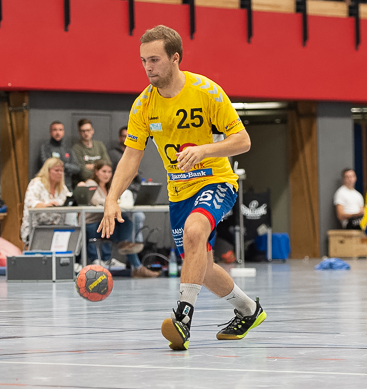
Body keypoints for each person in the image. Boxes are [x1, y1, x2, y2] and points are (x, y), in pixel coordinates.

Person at [100, 25, 265, 351]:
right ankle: (249, 310)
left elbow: (243, 140)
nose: (148, 67)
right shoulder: (143, 105)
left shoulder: (206, 91)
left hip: (216, 180)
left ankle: (183, 318)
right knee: (201, 267)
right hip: (179, 191)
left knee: (195, 230)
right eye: (143, 60)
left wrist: (205, 150)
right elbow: (131, 156)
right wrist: (111, 198)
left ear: (175, 58)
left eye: (155, 60)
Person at [78, 163, 157, 278]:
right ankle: (134, 261)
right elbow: (96, 200)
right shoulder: (91, 183)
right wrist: (113, 201)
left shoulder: (110, 187)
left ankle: (126, 246)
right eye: (104, 171)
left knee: (126, 221)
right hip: (92, 224)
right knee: (123, 227)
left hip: (107, 222)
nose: (107, 175)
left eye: (109, 172)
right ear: (96, 172)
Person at [20, 157, 70, 246]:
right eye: (56, 170)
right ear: (48, 171)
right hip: (36, 227)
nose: (60, 173)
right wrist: (45, 205)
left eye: (61, 171)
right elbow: (30, 203)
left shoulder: (62, 187)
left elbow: (68, 199)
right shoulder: (36, 183)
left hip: (57, 226)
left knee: (75, 233)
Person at [37, 121, 82, 187]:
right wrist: (66, 166)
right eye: (55, 130)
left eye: (60, 130)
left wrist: (62, 165)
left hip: (67, 185)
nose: (58, 133)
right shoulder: (45, 147)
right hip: (51, 185)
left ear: (63, 132)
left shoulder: (68, 148)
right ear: (50, 132)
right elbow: (47, 165)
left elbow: (77, 168)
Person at [71, 118, 110, 184]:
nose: (86, 133)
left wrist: (92, 166)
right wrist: (99, 167)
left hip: (103, 182)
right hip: (86, 182)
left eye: (88, 130)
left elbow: (108, 164)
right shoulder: (76, 148)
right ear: (79, 132)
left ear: (92, 131)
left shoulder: (99, 145)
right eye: (83, 131)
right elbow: (82, 172)